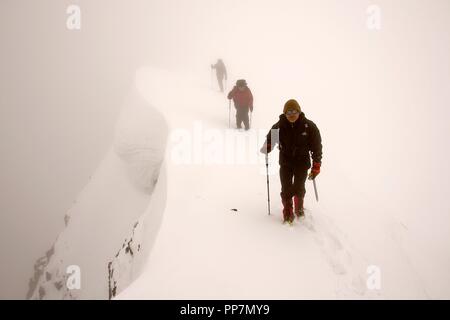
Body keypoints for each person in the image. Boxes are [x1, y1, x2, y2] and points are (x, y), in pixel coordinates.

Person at [260, 99, 322, 224]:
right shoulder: (279, 126)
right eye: (288, 112)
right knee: (286, 187)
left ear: (299, 111)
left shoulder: (309, 126)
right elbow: (270, 140)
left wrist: (316, 165)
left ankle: (299, 207)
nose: (291, 114)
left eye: (294, 111)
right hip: (286, 162)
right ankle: (287, 211)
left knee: (299, 186)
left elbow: (317, 147)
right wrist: (267, 147)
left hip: (302, 162)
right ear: (284, 113)